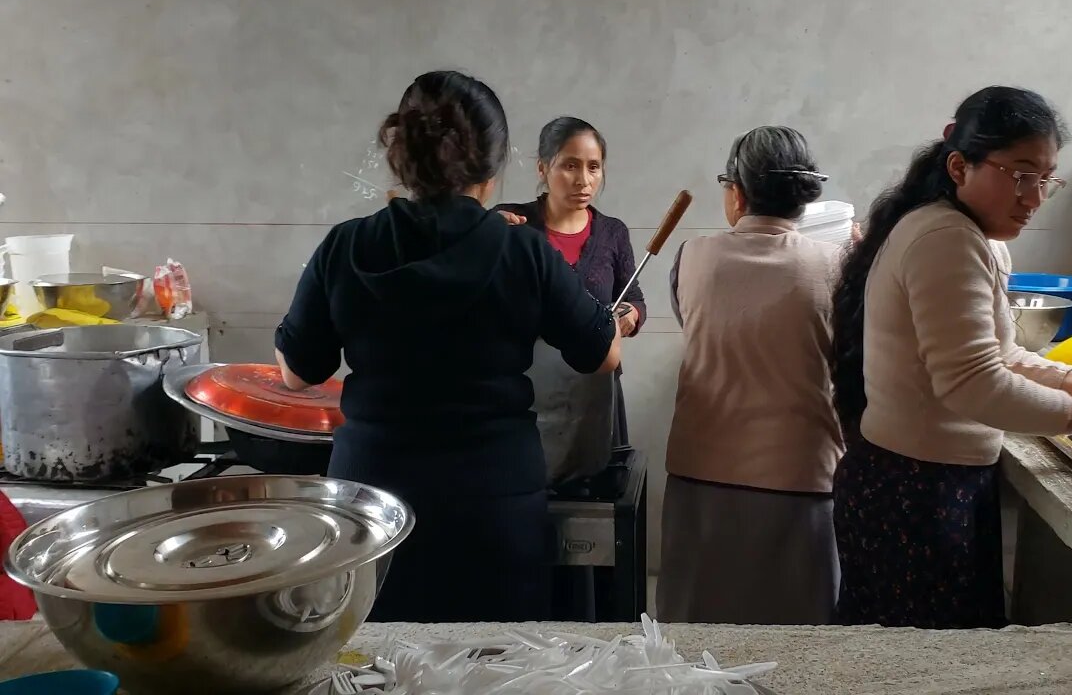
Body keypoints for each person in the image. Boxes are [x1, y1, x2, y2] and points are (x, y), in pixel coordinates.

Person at [274, 71, 621, 623]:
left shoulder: (348, 244)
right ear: (492, 164)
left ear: (405, 154)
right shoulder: (523, 251)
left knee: (378, 665)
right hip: (495, 500)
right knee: (495, 664)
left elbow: (297, 373)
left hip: (374, 501)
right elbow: (601, 355)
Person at [829, 86, 1072, 630]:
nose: (1034, 196)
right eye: (1019, 174)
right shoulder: (945, 237)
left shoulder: (978, 238)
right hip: (913, 491)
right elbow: (973, 383)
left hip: (928, 479)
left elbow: (1003, 353)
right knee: (921, 666)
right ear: (959, 166)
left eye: (1045, 179)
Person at [657, 126, 842, 625]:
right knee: (796, 650)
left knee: (697, 647)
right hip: (799, 482)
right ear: (804, 200)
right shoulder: (839, 265)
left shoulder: (690, 257)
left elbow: (694, 324)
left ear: (736, 194)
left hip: (702, 483)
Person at [497, 117, 645, 448]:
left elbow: (633, 296)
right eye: (570, 166)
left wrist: (627, 317)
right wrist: (483, 232)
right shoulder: (510, 223)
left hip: (595, 387)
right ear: (542, 168)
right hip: (525, 390)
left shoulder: (613, 232)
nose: (583, 180)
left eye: (594, 167)